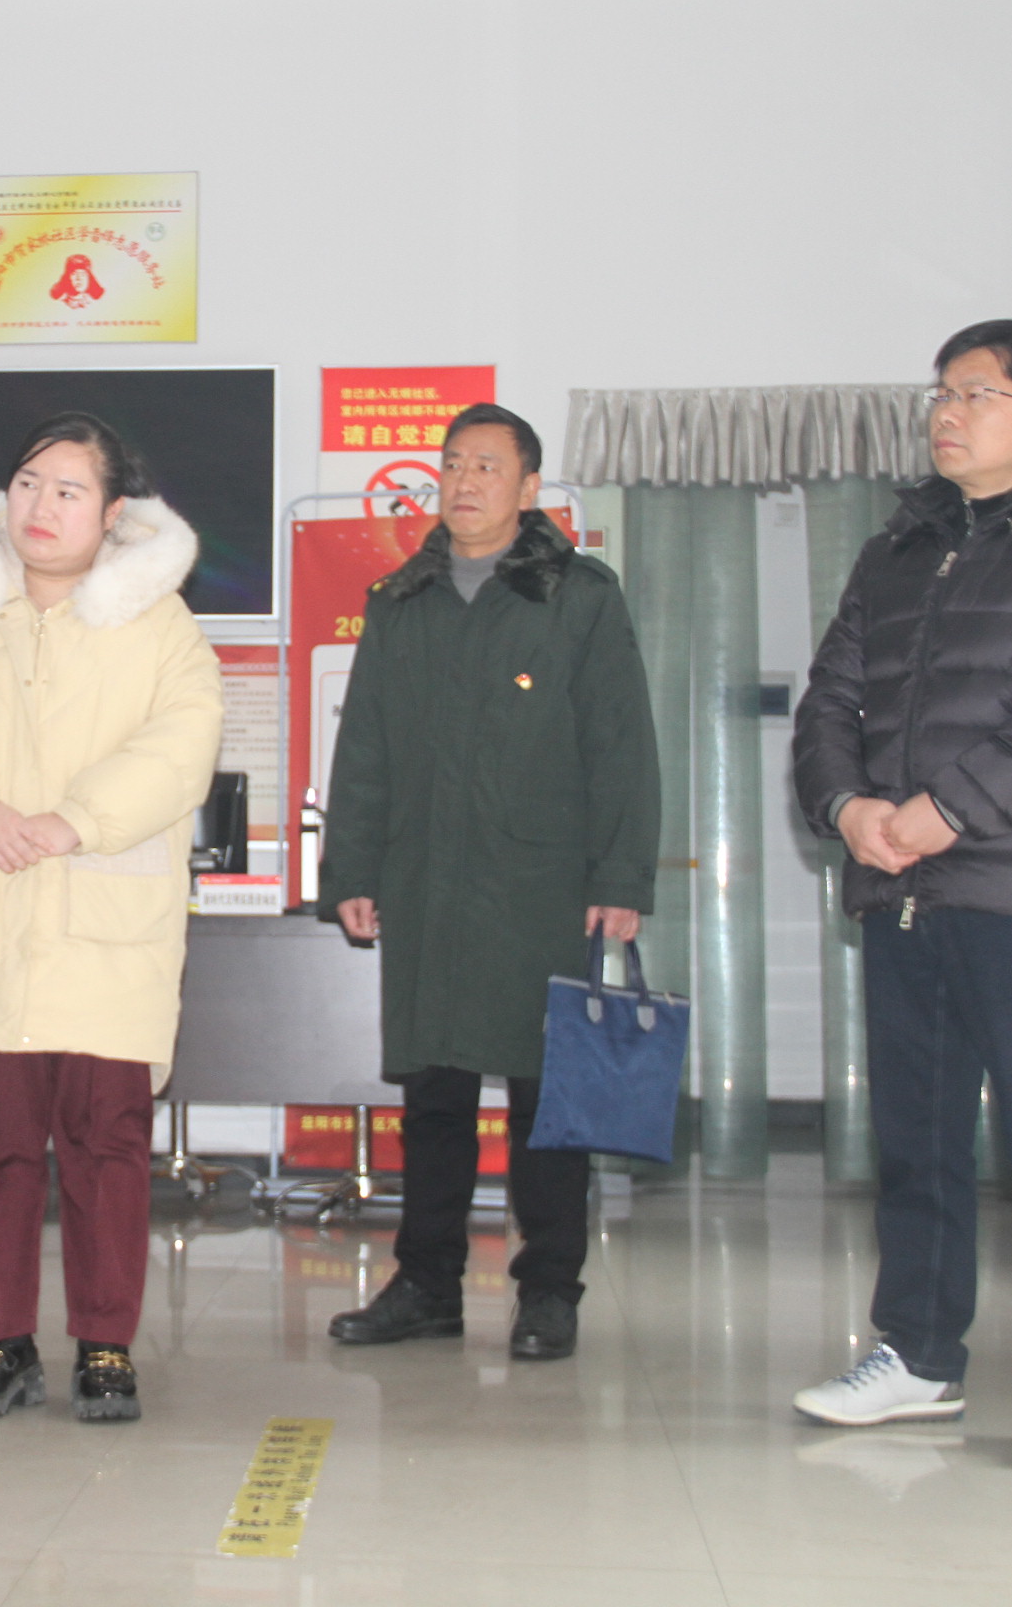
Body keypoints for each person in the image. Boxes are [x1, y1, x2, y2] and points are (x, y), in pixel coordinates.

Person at [790, 320, 1012, 1468]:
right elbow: (831, 699)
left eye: (976, 394)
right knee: (918, 1144)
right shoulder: (900, 545)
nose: (947, 414)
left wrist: (946, 810)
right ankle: (917, 1355)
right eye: (942, 394)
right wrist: (848, 808)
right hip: (903, 891)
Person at [0, 411, 222, 1422]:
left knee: (107, 1143)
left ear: (112, 515)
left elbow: (183, 744)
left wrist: (75, 820)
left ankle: (105, 1344)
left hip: (101, 924)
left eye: (69, 491)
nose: (41, 506)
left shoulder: (159, 625)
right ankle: (1, 1339)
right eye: (28, 483)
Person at [319, 403, 658, 1363]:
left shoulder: (578, 596)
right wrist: (351, 867)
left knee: (549, 1099)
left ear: (529, 488)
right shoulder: (401, 599)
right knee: (435, 1093)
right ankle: (427, 1284)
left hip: (541, 882)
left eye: (486, 466)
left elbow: (622, 744)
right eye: (453, 464)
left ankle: (549, 1291)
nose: (464, 482)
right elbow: (366, 746)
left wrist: (621, 874)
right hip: (426, 880)